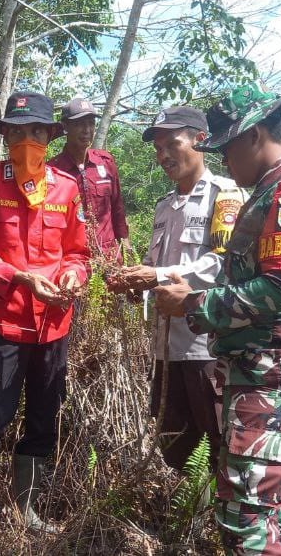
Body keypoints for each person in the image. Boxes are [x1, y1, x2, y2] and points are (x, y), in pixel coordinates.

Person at [151, 84, 281, 556]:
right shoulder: (270, 190)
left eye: (228, 148)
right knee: (255, 499)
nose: (225, 162)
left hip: (274, 368)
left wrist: (194, 304)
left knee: (247, 507)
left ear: (254, 136)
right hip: (257, 366)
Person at [0, 90, 90, 549]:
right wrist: (22, 278)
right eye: (17, 132)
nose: (26, 140)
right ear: (6, 136)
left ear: (51, 135)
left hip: (55, 327)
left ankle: (25, 507)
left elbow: (77, 252)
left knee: (43, 418)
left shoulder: (66, 188)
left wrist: (73, 277)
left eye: (36, 131)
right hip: (5, 326)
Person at [105, 106, 246, 474]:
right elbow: (158, 272)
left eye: (172, 144)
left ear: (201, 140)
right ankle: (182, 526)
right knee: (174, 447)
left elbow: (221, 265)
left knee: (218, 445)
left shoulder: (226, 196)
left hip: (205, 348)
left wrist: (156, 275)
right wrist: (137, 286)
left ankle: (216, 529)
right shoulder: (164, 207)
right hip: (165, 350)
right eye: (157, 148)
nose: (163, 155)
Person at [48, 97, 129, 261]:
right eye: (79, 124)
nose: (87, 130)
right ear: (65, 127)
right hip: (74, 261)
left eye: (91, 123)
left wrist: (125, 247)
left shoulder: (105, 162)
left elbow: (117, 208)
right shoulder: (52, 170)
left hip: (110, 257)